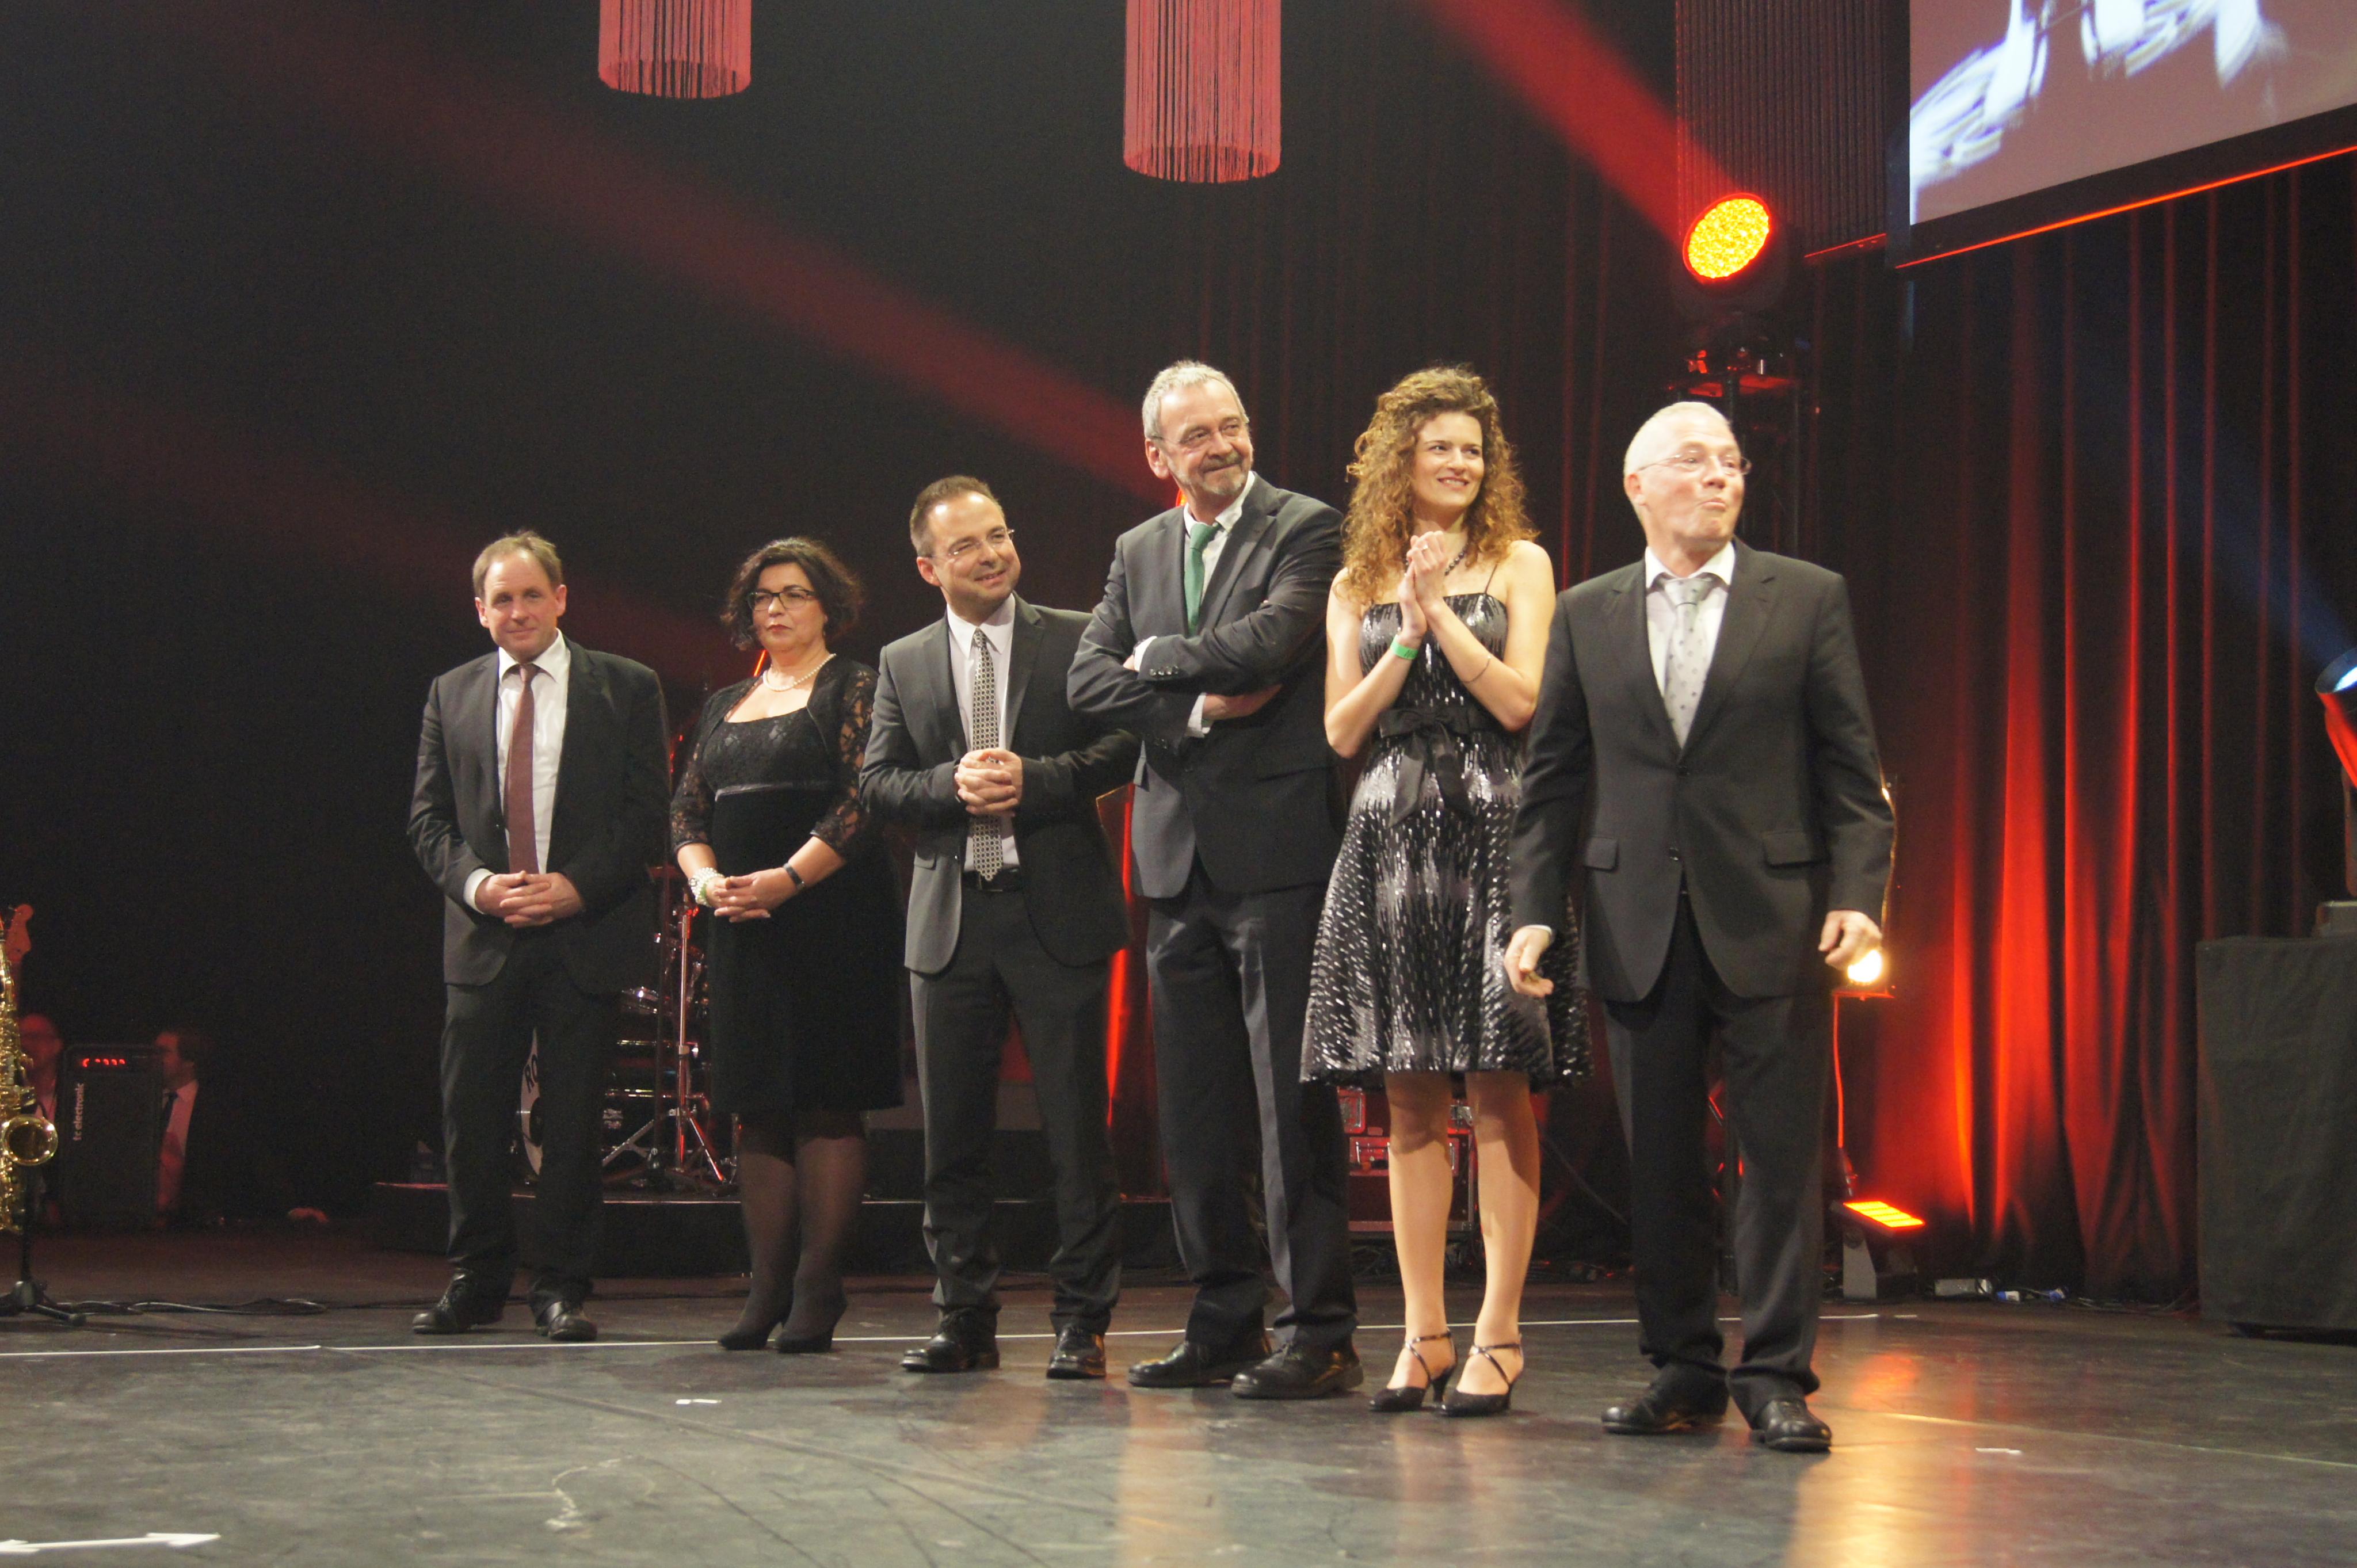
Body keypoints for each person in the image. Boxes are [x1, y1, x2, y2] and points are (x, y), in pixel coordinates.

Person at [1505, 401, 1893, 1453]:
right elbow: (1552, 782)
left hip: (1775, 916)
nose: (1721, 475)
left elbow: (1852, 773)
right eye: (1694, 460)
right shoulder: (1587, 611)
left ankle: (1776, 1376)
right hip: (1635, 916)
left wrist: (1860, 894)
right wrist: (1533, 910)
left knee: (1778, 1161)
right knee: (1663, 1163)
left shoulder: (1805, 597)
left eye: (1732, 461)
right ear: (1638, 485)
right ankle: (1681, 1366)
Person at [1069, 360, 1360, 1399]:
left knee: (1289, 1103)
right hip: (1173, 854)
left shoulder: (1307, 526)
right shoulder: (1137, 548)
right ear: (1159, 455)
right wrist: (1191, 703)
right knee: (1194, 1110)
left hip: (1278, 850)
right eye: (1197, 435)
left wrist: (1155, 656)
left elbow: (1273, 643)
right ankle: (1224, 1321)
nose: (1224, 445)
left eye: (1232, 424)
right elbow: (1085, 678)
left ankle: (1318, 1329)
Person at [1303, 367, 1584, 1417]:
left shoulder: (1520, 562)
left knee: (1498, 1084)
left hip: (1492, 827)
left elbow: (1521, 703)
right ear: (1401, 463)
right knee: (1410, 1091)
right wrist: (1407, 630)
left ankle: (1499, 1333)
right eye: (1441, 448)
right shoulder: (1354, 582)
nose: (1460, 463)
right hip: (1387, 836)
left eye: (1474, 448)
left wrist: (1438, 614)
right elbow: (1342, 730)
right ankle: (1422, 1332)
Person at [861, 478, 1140, 1379]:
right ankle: (964, 1316)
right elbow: (877, 782)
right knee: (953, 1137)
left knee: (1076, 1132)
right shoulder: (903, 660)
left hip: (1055, 909)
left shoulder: (1078, 635)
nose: (991, 555)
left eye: (999, 535)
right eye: (967, 546)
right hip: (951, 920)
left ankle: (1082, 1319)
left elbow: (1123, 744)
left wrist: (1037, 779)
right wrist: (949, 785)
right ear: (928, 568)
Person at [409, 531, 670, 1342]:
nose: (517, 611)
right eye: (502, 599)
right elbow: (428, 820)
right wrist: (481, 886)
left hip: (583, 932)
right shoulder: (450, 692)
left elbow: (646, 815)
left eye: (532, 595)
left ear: (561, 599)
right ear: (480, 610)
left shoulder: (626, 686)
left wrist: (574, 888)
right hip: (483, 939)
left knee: (574, 1119)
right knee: (472, 1117)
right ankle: (476, 1279)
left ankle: (561, 1286)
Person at [672, 537, 903, 1354]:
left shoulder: (855, 685)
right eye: (764, 596)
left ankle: (818, 1285)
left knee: (826, 1101)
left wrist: (786, 879)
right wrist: (708, 883)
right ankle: (765, 1287)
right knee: (757, 1107)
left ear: (827, 606)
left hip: (832, 919)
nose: (776, 608)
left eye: (794, 593)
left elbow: (861, 802)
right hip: (743, 926)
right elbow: (687, 812)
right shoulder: (724, 703)